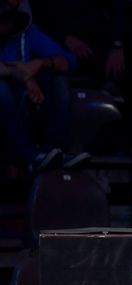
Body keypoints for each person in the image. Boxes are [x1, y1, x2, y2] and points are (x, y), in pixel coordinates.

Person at [0, 0, 76, 173]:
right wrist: (18, 74)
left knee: (59, 81)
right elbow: (17, 73)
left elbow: (69, 61)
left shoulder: (29, 34)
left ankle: (56, 153)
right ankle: (28, 156)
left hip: (25, 105)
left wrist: (41, 63)